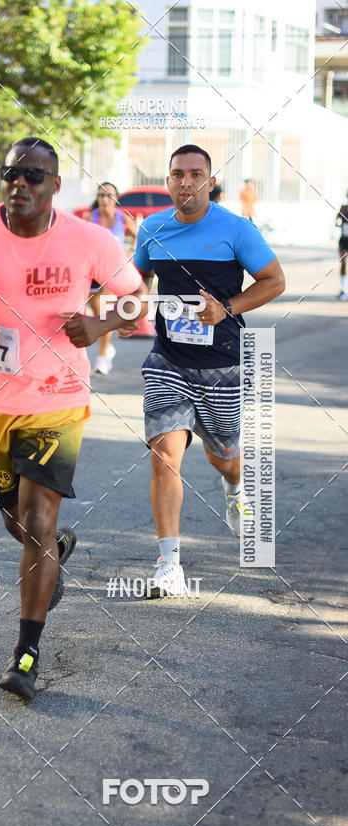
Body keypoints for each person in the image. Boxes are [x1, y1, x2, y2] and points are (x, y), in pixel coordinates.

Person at [0, 137, 144, 700]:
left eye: (33, 177)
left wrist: (98, 328)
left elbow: (136, 298)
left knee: (39, 522)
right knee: (19, 525)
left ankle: (26, 654)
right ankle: (54, 552)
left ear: (54, 187)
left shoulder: (90, 239)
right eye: (10, 174)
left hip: (60, 397)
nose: (19, 184)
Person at [134, 144, 285, 597]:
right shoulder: (152, 228)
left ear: (210, 180)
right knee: (165, 454)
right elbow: (139, 280)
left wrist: (228, 309)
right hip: (168, 361)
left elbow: (275, 281)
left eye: (196, 174)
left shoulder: (236, 229)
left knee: (223, 456)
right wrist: (131, 313)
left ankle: (236, 488)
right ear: (168, 181)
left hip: (222, 365)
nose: (187, 182)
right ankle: (169, 565)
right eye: (178, 174)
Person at [83, 182, 139, 373]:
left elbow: (139, 235)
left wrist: (130, 251)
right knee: (98, 313)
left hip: (113, 272)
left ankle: (101, 358)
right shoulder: (92, 218)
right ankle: (106, 349)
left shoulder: (122, 219)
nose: (105, 199)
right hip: (93, 272)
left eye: (109, 195)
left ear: (116, 199)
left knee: (105, 313)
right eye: (101, 195)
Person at [335, 191, 348, 300]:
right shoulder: (343, 208)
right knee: (343, 263)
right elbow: (336, 222)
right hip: (344, 239)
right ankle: (343, 290)